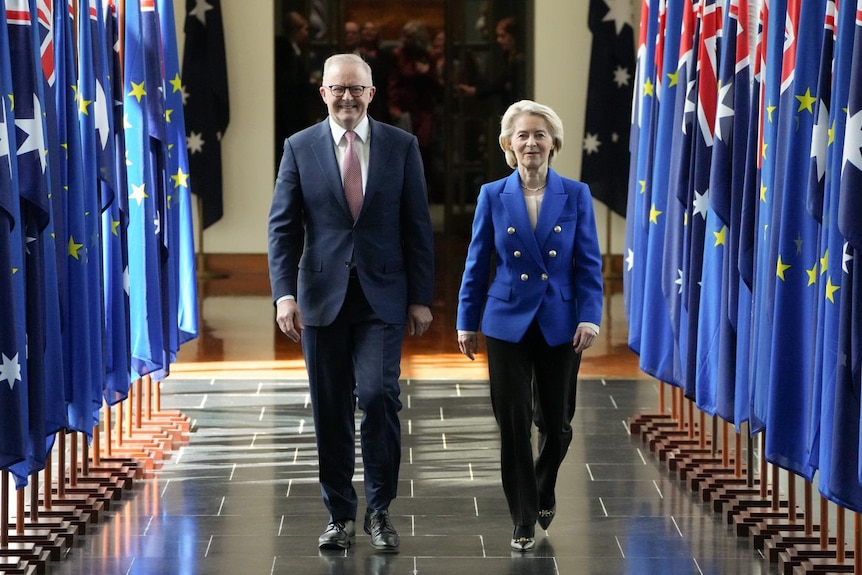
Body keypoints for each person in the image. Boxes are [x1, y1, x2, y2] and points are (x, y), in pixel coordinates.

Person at [267, 53, 435, 553]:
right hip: (319, 298)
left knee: (380, 397)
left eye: (355, 89)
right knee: (330, 407)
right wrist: (284, 294)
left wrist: (421, 298)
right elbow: (282, 226)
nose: (346, 97)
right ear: (323, 93)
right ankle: (339, 514)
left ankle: (379, 512)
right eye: (337, 89)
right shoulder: (299, 147)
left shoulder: (401, 146)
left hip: (382, 296)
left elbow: (418, 226)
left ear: (371, 93)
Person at [455, 100, 603, 552]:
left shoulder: (576, 194)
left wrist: (590, 315)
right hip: (506, 321)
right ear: (508, 144)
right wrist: (466, 320)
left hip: (561, 320)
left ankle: (543, 488)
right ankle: (523, 516)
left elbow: (588, 263)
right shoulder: (491, 194)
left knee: (555, 424)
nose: (531, 142)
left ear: (554, 144)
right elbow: (478, 263)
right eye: (522, 135)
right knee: (514, 421)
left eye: (540, 135)